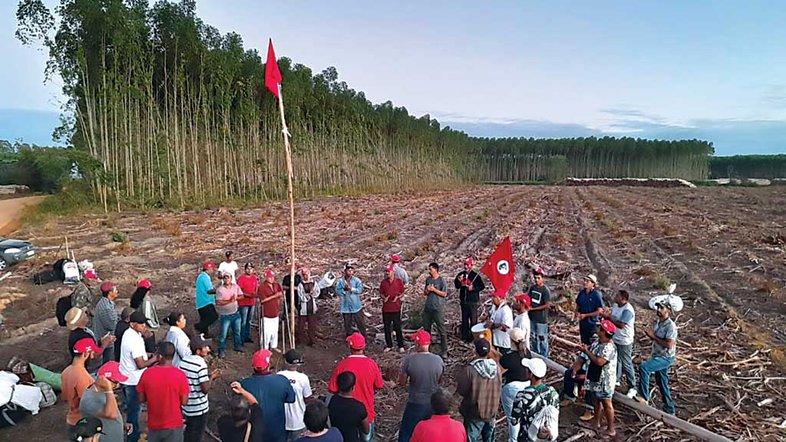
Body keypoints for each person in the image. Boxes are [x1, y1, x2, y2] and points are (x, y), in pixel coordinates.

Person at [328, 333, 384, 441]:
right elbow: (379, 385)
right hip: (367, 413)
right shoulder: (371, 364)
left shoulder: (342, 365)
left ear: (350, 346)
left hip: (345, 414)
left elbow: (332, 388)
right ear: (363, 346)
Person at [137, 341, 190, 442]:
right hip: (174, 424)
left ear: (159, 356)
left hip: (154, 424)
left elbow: (141, 398)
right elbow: (184, 402)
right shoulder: (180, 375)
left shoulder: (147, 373)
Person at [119, 310, 159, 442]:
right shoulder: (134, 340)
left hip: (126, 375)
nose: (144, 327)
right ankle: (133, 438)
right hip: (133, 381)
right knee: (134, 412)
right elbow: (141, 364)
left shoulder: (129, 333)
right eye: (141, 324)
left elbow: (136, 355)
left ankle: (132, 434)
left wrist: (146, 354)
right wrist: (154, 359)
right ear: (132, 324)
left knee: (131, 409)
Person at [240, 349, 297, 442]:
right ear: (268, 365)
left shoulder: (244, 384)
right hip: (277, 433)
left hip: (254, 434)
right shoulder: (282, 381)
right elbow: (291, 399)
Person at [397, 330, 444, 442]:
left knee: (406, 433)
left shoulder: (410, 360)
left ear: (417, 344)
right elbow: (440, 381)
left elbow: (402, 383)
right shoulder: (438, 360)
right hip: (433, 403)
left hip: (415, 402)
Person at [636, 299, 679, 414]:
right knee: (662, 381)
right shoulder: (659, 323)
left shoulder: (671, 326)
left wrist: (653, 337)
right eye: (658, 307)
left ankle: (644, 397)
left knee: (644, 368)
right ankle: (669, 408)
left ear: (668, 310)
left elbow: (669, 344)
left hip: (665, 357)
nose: (659, 310)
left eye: (662, 308)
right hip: (658, 355)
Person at [456, 338, 501, 442]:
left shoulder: (470, 370)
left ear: (475, 351)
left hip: (474, 413)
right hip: (492, 411)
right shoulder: (497, 369)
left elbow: (461, 391)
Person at [579, 320, 618, 438]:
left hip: (605, 380)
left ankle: (611, 429)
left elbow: (599, 361)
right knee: (597, 400)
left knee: (607, 403)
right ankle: (596, 422)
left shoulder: (609, 347)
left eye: (600, 329)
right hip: (596, 377)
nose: (597, 330)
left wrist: (586, 351)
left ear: (604, 332)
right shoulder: (598, 342)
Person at [180, 334, 221, 442]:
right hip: (199, 408)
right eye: (205, 347)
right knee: (197, 435)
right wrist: (212, 377)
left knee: (189, 431)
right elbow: (205, 389)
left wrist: (207, 377)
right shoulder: (200, 364)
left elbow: (191, 379)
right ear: (198, 351)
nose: (208, 349)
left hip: (187, 406)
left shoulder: (184, 360)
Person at [510, 358, 560, 442]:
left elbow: (514, 421)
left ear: (531, 374)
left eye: (527, 369)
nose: (525, 370)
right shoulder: (552, 392)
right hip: (548, 437)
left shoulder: (523, 395)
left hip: (528, 437)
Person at [80, 361, 130, 442]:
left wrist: (122, 424)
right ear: (104, 380)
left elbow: (112, 410)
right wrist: (109, 389)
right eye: (116, 382)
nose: (118, 385)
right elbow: (111, 414)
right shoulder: (88, 401)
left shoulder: (103, 393)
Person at [601, 289, 637, 397]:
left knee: (626, 362)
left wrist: (608, 318)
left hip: (624, 340)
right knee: (616, 359)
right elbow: (612, 316)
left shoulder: (628, 310)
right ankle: (616, 378)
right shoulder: (616, 306)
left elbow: (621, 325)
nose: (615, 297)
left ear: (623, 298)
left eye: (617, 296)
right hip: (616, 337)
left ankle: (632, 386)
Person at [499, 328, 531, 442]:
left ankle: (513, 439)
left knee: (512, 417)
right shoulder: (528, 353)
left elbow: (500, 371)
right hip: (527, 385)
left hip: (512, 388)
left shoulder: (508, 358)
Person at [63, 338, 97, 439]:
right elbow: (88, 404)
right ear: (86, 353)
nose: (94, 355)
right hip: (82, 423)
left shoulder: (66, 371)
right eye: (92, 352)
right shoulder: (82, 376)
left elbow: (65, 397)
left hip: (71, 420)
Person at [279, 350, 314, 441]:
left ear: (286, 361)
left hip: (282, 420)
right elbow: (307, 398)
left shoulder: (279, 376)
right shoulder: (303, 378)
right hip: (299, 420)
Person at [66, 307, 115, 372]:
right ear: (80, 320)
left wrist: (100, 341)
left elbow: (91, 347)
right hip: (89, 370)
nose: (86, 315)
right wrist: (104, 344)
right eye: (84, 314)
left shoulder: (82, 331)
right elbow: (94, 356)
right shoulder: (83, 337)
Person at [328, 371, 369, 442]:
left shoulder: (328, 401)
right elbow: (366, 430)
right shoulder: (359, 407)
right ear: (353, 387)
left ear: (338, 385)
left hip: (333, 438)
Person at [455, 257, 486, 343]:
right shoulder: (461, 275)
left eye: (468, 265)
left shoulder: (475, 276)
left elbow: (482, 286)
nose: (466, 267)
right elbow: (457, 286)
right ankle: (464, 337)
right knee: (464, 320)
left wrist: (474, 288)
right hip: (464, 301)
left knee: (473, 320)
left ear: (471, 265)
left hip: (473, 301)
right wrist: (458, 281)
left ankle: (474, 337)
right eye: (465, 264)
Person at [422, 262, 448, 358]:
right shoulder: (428, 280)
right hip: (428, 307)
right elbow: (425, 293)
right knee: (426, 328)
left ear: (436, 269)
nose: (429, 271)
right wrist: (428, 290)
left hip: (437, 308)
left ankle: (444, 350)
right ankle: (427, 348)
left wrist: (434, 290)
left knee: (441, 329)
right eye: (429, 269)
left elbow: (445, 294)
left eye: (431, 269)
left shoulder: (441, 281)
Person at [216, 271, 244, 358]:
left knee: (237, 332)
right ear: (223, 279)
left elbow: (242, 296)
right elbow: (218, 302)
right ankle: (221, 350)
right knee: (223, 334)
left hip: (235, 313)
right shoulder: (219, 289)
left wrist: (236, 298)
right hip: (225, 315)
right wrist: (229, 301)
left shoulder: (236, 287)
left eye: (228, 277)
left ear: (231, 278)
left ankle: (237, 346)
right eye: (225, 277)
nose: (226, 279)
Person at [335, 263, 366, 337]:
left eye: (351, 270)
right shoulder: (340, 281)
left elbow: (360, 290)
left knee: (360, 323)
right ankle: (349, 339)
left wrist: (351, 289)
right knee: (347, 325)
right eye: (348, 270)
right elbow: (337, 291)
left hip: (356, 306)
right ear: (345, 271)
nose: (350, 272)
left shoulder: (356, 280)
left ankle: (363, 338)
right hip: (346, 307)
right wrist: (344, 290)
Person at [379, 264, 405, 352]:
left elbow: (402, 292)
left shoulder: (399, 281)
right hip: (386, 309)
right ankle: (389, 345)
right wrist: (384, 298)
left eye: (388, 271)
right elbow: (381, 293)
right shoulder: (383, 283)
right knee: (387, 328)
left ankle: (400, 345)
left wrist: (398, 297)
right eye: (386, 271)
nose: (387, 273)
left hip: (396, 308)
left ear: (393, 272)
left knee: (397, 327)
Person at [92, 281, 119, 364]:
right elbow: (110, 326)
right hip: (105, 341)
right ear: (110, 293)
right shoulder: (106, 308)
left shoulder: (105, 303)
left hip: (105, 339)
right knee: (107, 363)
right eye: (115, 290)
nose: (117, 291)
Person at [527, 268, 551, 358]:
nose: (536, 280)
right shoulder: (532, 288)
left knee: (542, 338)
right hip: (532, 317)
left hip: (541, 319)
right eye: (535, 278)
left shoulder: (545, 290)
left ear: (542, 278)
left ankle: (544, 356)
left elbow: (547, 305)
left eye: (538, 278)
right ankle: (535, 353)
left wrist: (533, 308)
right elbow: (528, 298)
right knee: (533, 337)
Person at [258, 269, 284, 350]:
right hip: (266, 313)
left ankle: (273, 346)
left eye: (273, 277)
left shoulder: (276, 285)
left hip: (275, 311)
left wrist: (279, 297)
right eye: (270, 277)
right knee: (266, 332)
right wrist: (274, 296)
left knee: (274, 331)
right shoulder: (262, 287)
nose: (271, 278)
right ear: (266, 277)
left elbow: (281, 293)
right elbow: (262, 300)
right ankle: (264, 348)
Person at [575, 274, 604, 345]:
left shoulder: (596, 295)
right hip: (583, 322)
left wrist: (586, 315)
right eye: (584, 280)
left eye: (587, 281)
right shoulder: (582, 293)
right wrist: (576, 313)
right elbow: (578, 305)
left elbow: (599, 311)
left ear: (593, 284)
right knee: (584, 341)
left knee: (592, 342)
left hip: (592, 323)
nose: (585, 283)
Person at [295, 268, 319, 346]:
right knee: (301, 326)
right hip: (303, 308)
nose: (306, 276)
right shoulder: (301, 285)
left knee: (312, 326)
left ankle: (312, 341)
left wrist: (312, 294)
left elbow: (317, 292)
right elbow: (300, 296)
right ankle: (300, 341)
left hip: (312, 307)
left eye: (307, 274)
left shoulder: (314, 283)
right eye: (304, 275)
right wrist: (308, 295)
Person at [237, 262, 259, 344]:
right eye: (248, 268)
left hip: (252, 302)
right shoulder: (241, 279)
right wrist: (248, 295)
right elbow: (239, 290)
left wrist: (256, 294)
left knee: (249, 320)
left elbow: (256, 287)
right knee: (243, 321)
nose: (249, 270)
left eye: (251, 269)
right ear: (245, 269)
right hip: (243, 302)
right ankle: (241, 338)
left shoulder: (254, 278)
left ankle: (247, 336)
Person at [195, 261, 219, 336]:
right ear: (208, 269)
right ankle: (197, 327)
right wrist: (219, 291)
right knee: (213, 316)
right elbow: (209, 291)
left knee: (204, 319)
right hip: (206, 302)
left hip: (201, 302)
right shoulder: (204, 277)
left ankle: (204, 335)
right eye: (212, 269)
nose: (213, 271)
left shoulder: (201, 277)